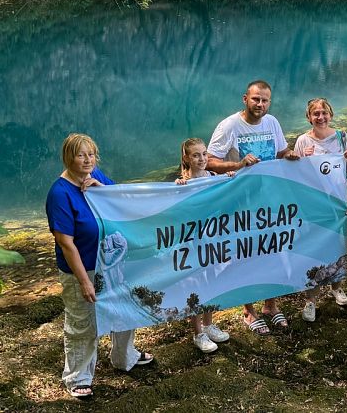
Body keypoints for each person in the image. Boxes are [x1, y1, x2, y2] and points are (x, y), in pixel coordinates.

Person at [45, 133, 154, 399]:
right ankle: (78, 377)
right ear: (68, 157)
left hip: (111, 262)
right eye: (81, 155)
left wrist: (101, 189)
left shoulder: (96, 175)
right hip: (82, 268)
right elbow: (66, 243)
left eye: (91, 154)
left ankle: (124, 356)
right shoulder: (60, 193)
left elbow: (120, 201)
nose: (87, 160)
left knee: (126, 309)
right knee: (83, 323)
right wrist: (84, 281)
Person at [206, 80, 299, 335]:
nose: (260, 104)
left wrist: (288, 155)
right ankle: (249, 310)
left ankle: (271, 304)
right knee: (247, 254)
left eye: (265, 100)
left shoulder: (272, 123)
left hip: (269, 200)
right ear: (245, 98)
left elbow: (279, 152)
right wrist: (237, 165)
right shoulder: (230, 126)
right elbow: (209, 162)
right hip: (241, 204)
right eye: (256, 99)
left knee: (274, 249)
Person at [294, 98, 347, 321]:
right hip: (314, 204)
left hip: (339, 201)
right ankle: (311, 300)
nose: (320, 117)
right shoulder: (303, 141)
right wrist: (305, 160)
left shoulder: (341, 136)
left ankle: (336, 287)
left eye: (324, 113)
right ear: (309, 117)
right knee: (314, 249)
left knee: (338, 245)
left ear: (330, 114)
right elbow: (296, 176)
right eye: (316, 114)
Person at [174, 138, 233, 353]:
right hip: (192, 242)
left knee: (213, 280)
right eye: (196, 155)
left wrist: (230, 180)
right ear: (186, 158)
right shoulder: (181, 183)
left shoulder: (213, 177)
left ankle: (209, 324)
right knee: (195, 284)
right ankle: (198, 332)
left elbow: (225, 200)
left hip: (213, 239)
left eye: (204, 154)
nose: (202, 159)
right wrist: (178, 189)